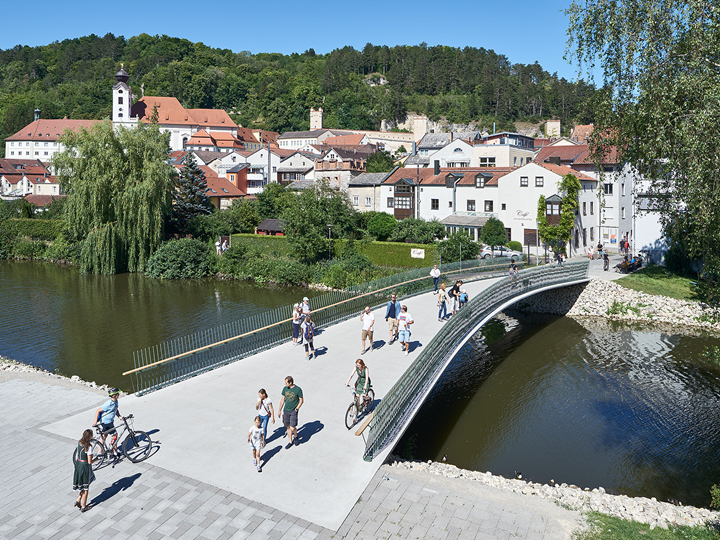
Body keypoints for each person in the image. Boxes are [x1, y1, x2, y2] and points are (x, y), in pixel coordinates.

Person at [73, 429, 95, 512]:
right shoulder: (88, 447)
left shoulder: (79, 442)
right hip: (84, 467)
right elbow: (90, 461)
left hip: (78, 464)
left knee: (82, 484)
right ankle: (83, 506)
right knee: (86, 487)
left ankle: (78, 500)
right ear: (90, 436)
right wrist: (96, 459)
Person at [278, 376, 303, 448]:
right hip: (286, 410)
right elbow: (282, 400)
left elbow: (301, 400)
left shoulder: (298, 389)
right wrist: (279, 410)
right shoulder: (285, 389)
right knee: (288, 427)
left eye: (286, 383)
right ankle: (290, 441)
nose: (285, 384)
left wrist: (297, 409)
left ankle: (296, 436)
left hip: (293, 411)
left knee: (292, 427)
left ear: (290, 382)